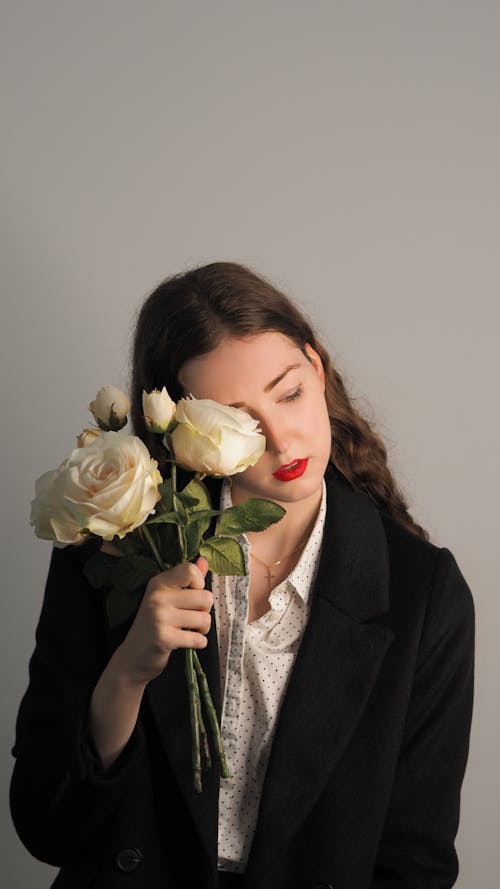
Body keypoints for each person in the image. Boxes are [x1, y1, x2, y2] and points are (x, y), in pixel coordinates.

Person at [10, 261, 474, 889]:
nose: (283, 439)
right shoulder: (114, 551)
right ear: (178, 435)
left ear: (318, 369)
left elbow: (415, 863)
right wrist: (128, 672)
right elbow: (46, 826)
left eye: (289, 393)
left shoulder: (422, 592)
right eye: (238, 420)